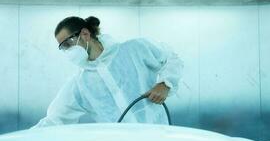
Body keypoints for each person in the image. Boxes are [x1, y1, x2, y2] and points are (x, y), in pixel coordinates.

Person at [31, 16, 183, 128]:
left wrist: (165, 84)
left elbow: (171, 57)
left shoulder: (134, 49)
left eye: (67, 44)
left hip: (158, 138)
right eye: (62, 48)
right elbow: (54, 121)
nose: (67, 51)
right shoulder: (80, 84)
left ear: (85, 34)